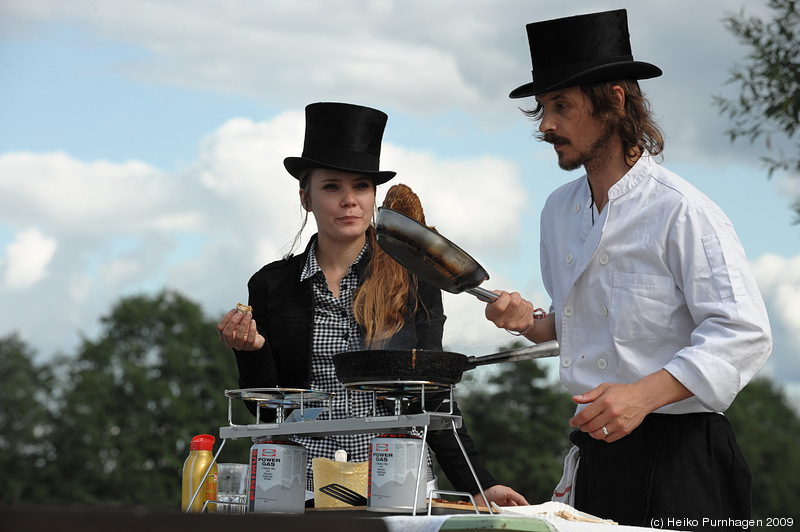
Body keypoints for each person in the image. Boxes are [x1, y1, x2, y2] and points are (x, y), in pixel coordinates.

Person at [483, 9, 772, 529]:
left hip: (684, 460)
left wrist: (641, 396)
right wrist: (529, 322)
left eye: (562, 106)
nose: (546, 125)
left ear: (615, 99)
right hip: (597, 457)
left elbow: (743, 333)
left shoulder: (682, 209)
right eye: (543, 108)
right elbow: (581, 327)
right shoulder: (556, 211)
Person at [217, 102, 527, 507]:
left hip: (396, 487)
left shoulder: (413, 278)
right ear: (305, 197)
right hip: (300, 490)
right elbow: (269, 414)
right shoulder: (272, 284)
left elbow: (432, 397)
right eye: (332, 187)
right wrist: (252, 350)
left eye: (361, 186)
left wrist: (479, 484)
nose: (350, 201)